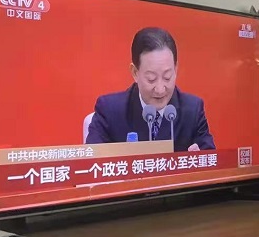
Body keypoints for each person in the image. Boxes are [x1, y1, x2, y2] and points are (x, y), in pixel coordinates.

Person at [86, 27, 215, 151]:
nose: (160, 89)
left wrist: (200, 160)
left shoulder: (193, 110)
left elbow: (212, 160)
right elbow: (92, 161)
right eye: (151, 79)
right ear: (135, 72)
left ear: (175, 69)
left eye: (167, 77)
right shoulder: (109, 111)